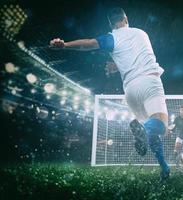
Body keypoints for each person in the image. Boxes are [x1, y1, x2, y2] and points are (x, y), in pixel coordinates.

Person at [49, 7, 170, 181]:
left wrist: (65, 45)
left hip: (130, 91)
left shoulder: (111, 38)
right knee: (160, 125)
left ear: (111, 24)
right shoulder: (141, 33)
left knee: (150, 131)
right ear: (126, 19)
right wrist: (117, 65)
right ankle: (147, 135)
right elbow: (137, 54)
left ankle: (164, 168)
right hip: (149, 82)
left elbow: (90, 43)